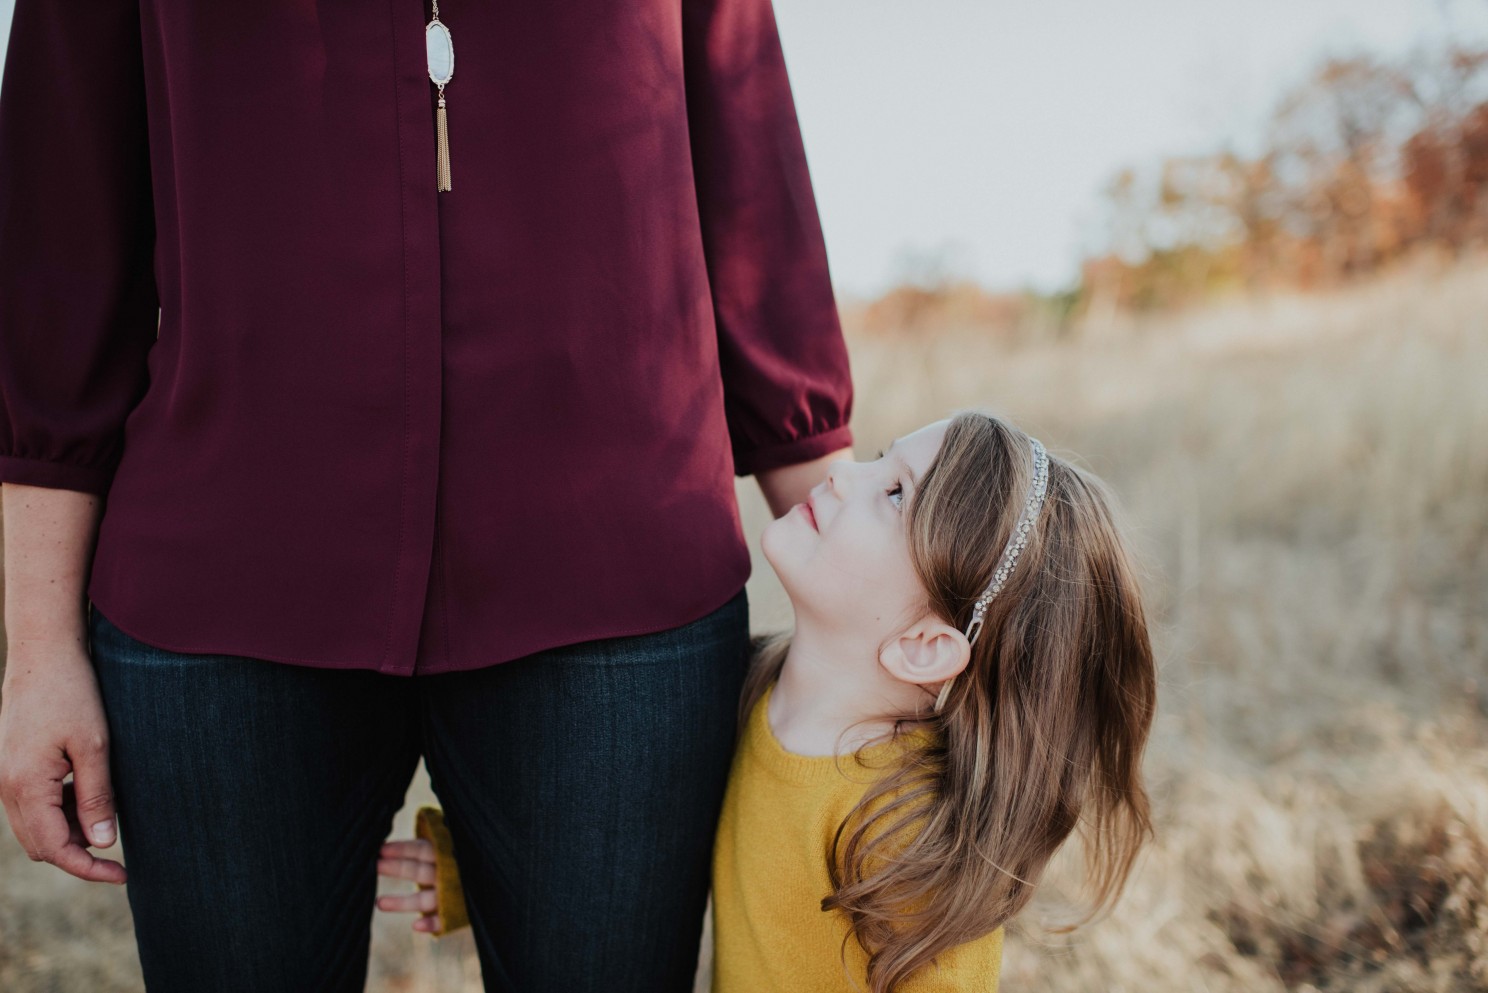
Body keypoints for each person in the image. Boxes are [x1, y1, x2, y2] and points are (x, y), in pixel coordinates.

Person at [0, 1, 853, 991]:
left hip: (621, 582)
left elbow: (756, 194)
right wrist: (38, 651)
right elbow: (59, 240)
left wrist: (880, 635)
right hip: (219, 593)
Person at [376, 411, 1159, 993]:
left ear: (924, 645)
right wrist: (473, 872)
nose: (844, 474)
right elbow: (625, 847)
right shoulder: (750, 692)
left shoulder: (904, 826)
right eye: (881, 459)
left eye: (892, 493)